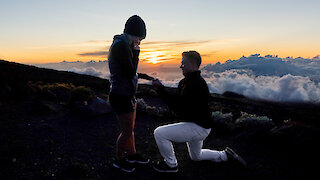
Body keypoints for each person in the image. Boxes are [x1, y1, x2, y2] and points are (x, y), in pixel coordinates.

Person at [151, 51, 246, 172]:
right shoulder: (187, 82)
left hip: (197, 127)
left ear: (193, 64)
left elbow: (179, 107)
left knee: (159, 133)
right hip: (201, 126)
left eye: (183, 63)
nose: (181, 66)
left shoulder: (196, 84)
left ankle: (171, 165)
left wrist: (160, 89)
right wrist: (161, 89)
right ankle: (225, 155)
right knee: (196, 156)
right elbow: (177, 101)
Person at [108, 15, 150, 173]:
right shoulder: (121, 46)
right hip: (121, 95)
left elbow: (130, 71)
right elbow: (130, 71)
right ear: (134, 34)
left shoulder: (123, 44)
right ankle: (119, 160)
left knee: (130, 129)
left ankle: (132, 155)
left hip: (126, 93)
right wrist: (137, 52)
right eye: (140, 38)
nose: (140, 42)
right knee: (126, 131)